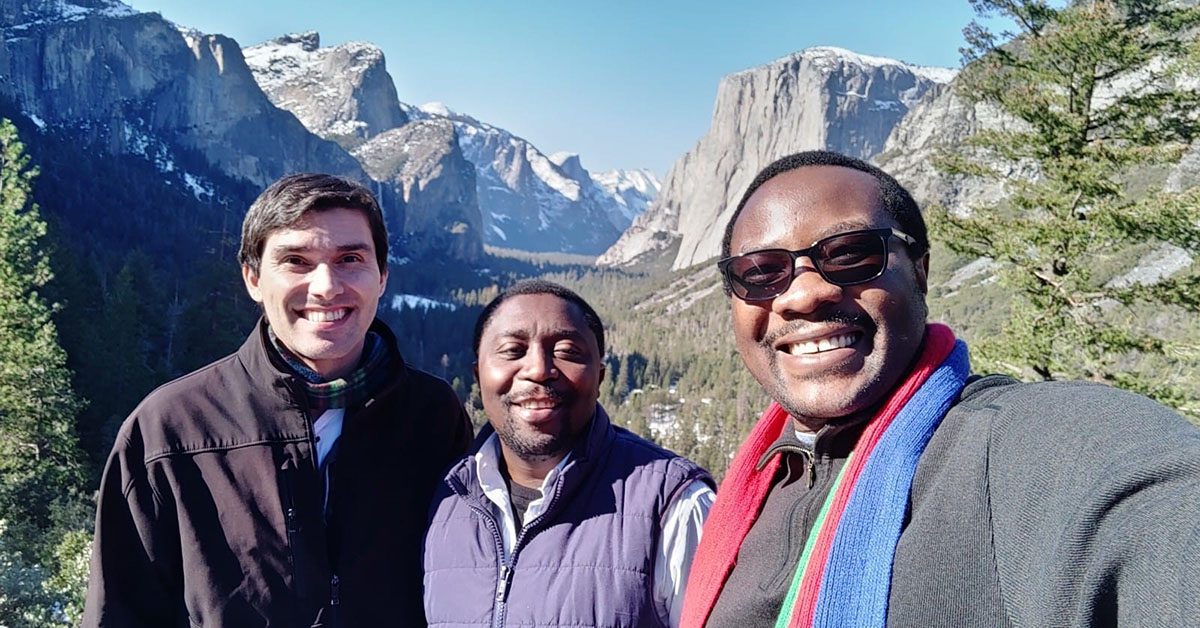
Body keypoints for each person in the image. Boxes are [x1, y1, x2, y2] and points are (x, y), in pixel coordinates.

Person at [682, 151, 1200, 627]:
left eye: (852, 253)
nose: (803, 293)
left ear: (920, 270)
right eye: (760, 272)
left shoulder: (1034, 452)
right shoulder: (749, 497)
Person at [82, 173, 472, 627]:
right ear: (253, 279)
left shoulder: (432, 416)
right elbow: (120, 614)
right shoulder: (170, 429)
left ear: (382, 276)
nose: (326, 286)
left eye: (350, 259)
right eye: (296, 261)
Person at [423, 279, 715, 627]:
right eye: (513, 350)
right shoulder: (444, 501)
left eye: (566, 352)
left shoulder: (674, 505)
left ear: (600, 377)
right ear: (478, 374)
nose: (538, 370)